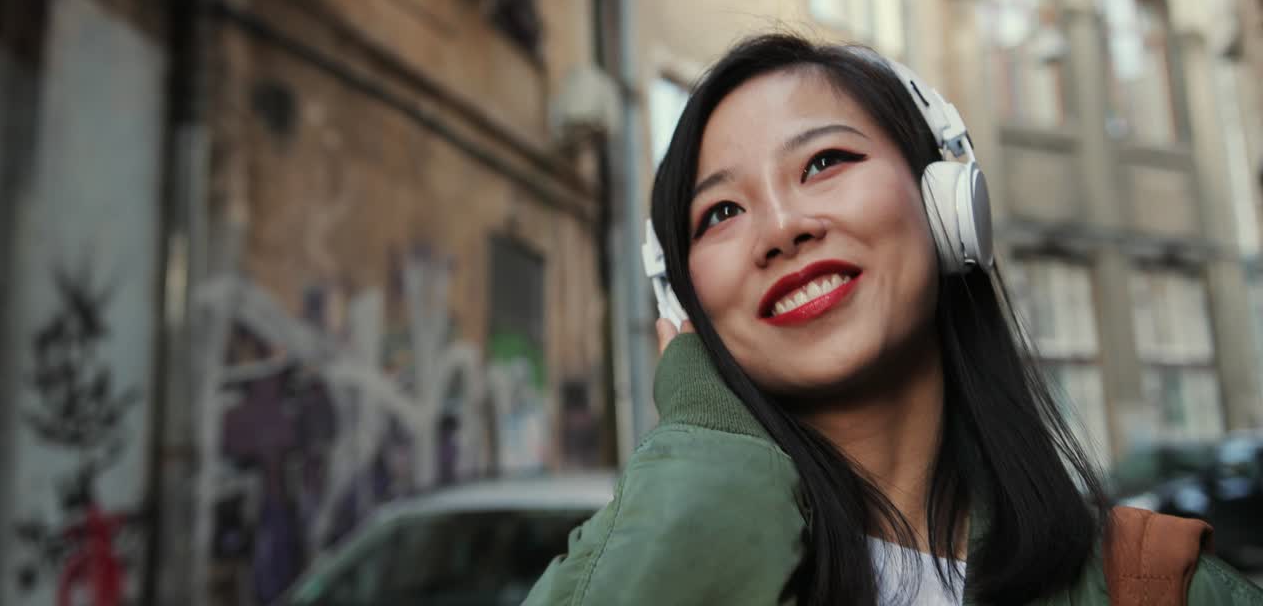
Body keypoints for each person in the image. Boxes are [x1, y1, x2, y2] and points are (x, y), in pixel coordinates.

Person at [522, 34, 1263, 605]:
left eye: (823, 163)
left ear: (946, 205)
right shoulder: (635, 565)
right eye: (721, 212)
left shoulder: (1162, 584)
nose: (781, 228)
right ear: (683, 307)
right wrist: (705, 434)